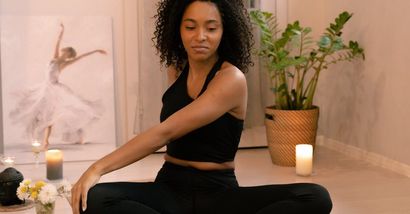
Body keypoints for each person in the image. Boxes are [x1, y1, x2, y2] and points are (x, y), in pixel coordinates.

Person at [71, 1, 333, 214]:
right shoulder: (176, 70)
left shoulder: (231, 79)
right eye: (190, 27)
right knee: (98, 197)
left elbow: (166, 132)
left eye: (211, 28)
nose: (200, 37)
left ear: (224, 31)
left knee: (315, 197)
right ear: (178, 30)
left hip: (219, 195)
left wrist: (97, 168)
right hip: (169, 188)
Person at [9, 23, 106, 149]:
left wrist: (96, 51)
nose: (63, 52)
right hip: (45, 88)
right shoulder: (55, 58)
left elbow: (81, 57)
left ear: (69, 55)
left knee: (57, 114)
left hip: (55, 89)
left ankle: (47, 142)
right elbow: (57, 43)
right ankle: (39, 139)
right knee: (39, 114)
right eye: (64, 51)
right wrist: (62, 31)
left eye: (66, 52)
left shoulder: (65, 63)